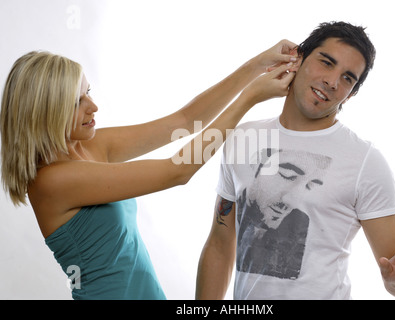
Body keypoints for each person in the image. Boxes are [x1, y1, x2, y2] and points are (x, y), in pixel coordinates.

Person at [0, 41, 299, 300]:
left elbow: (183, 121)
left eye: (88, 92)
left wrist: (256, 66)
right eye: (77, 101)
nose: (93, 106)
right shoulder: (53, 180)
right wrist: (249, 98)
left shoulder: (88, 147)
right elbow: (177, 171)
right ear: (46, 111)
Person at [196, 21, 395, 300]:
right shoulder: (244, 138)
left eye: (348, 78)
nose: (332, 81)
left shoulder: (366, 162)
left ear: (351, 95)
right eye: (326, 62)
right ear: (298, 59)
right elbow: (219, 245)